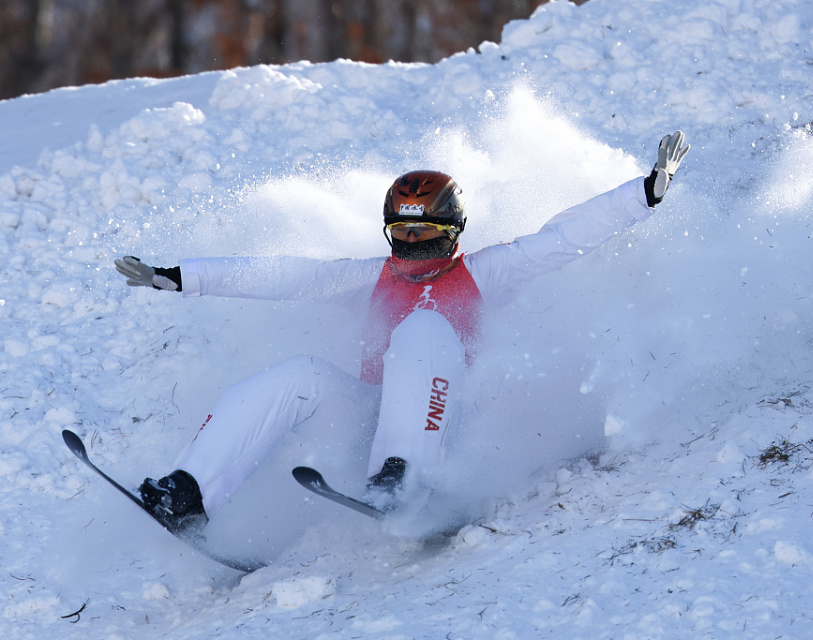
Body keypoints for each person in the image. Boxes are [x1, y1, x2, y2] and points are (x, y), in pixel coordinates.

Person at [114, 131, 690, 533]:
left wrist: (646, 191)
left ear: (454, 229)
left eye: (427, 233)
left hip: (450, 427)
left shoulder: (487, 272)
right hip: (371, 421)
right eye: (402, 233)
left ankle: (404, 479)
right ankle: (189, 492)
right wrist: (178, 277)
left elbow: (566, 236)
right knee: (297, 377)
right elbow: (281, 276)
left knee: (420, 333)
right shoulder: (368, 277)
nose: (412, 245)